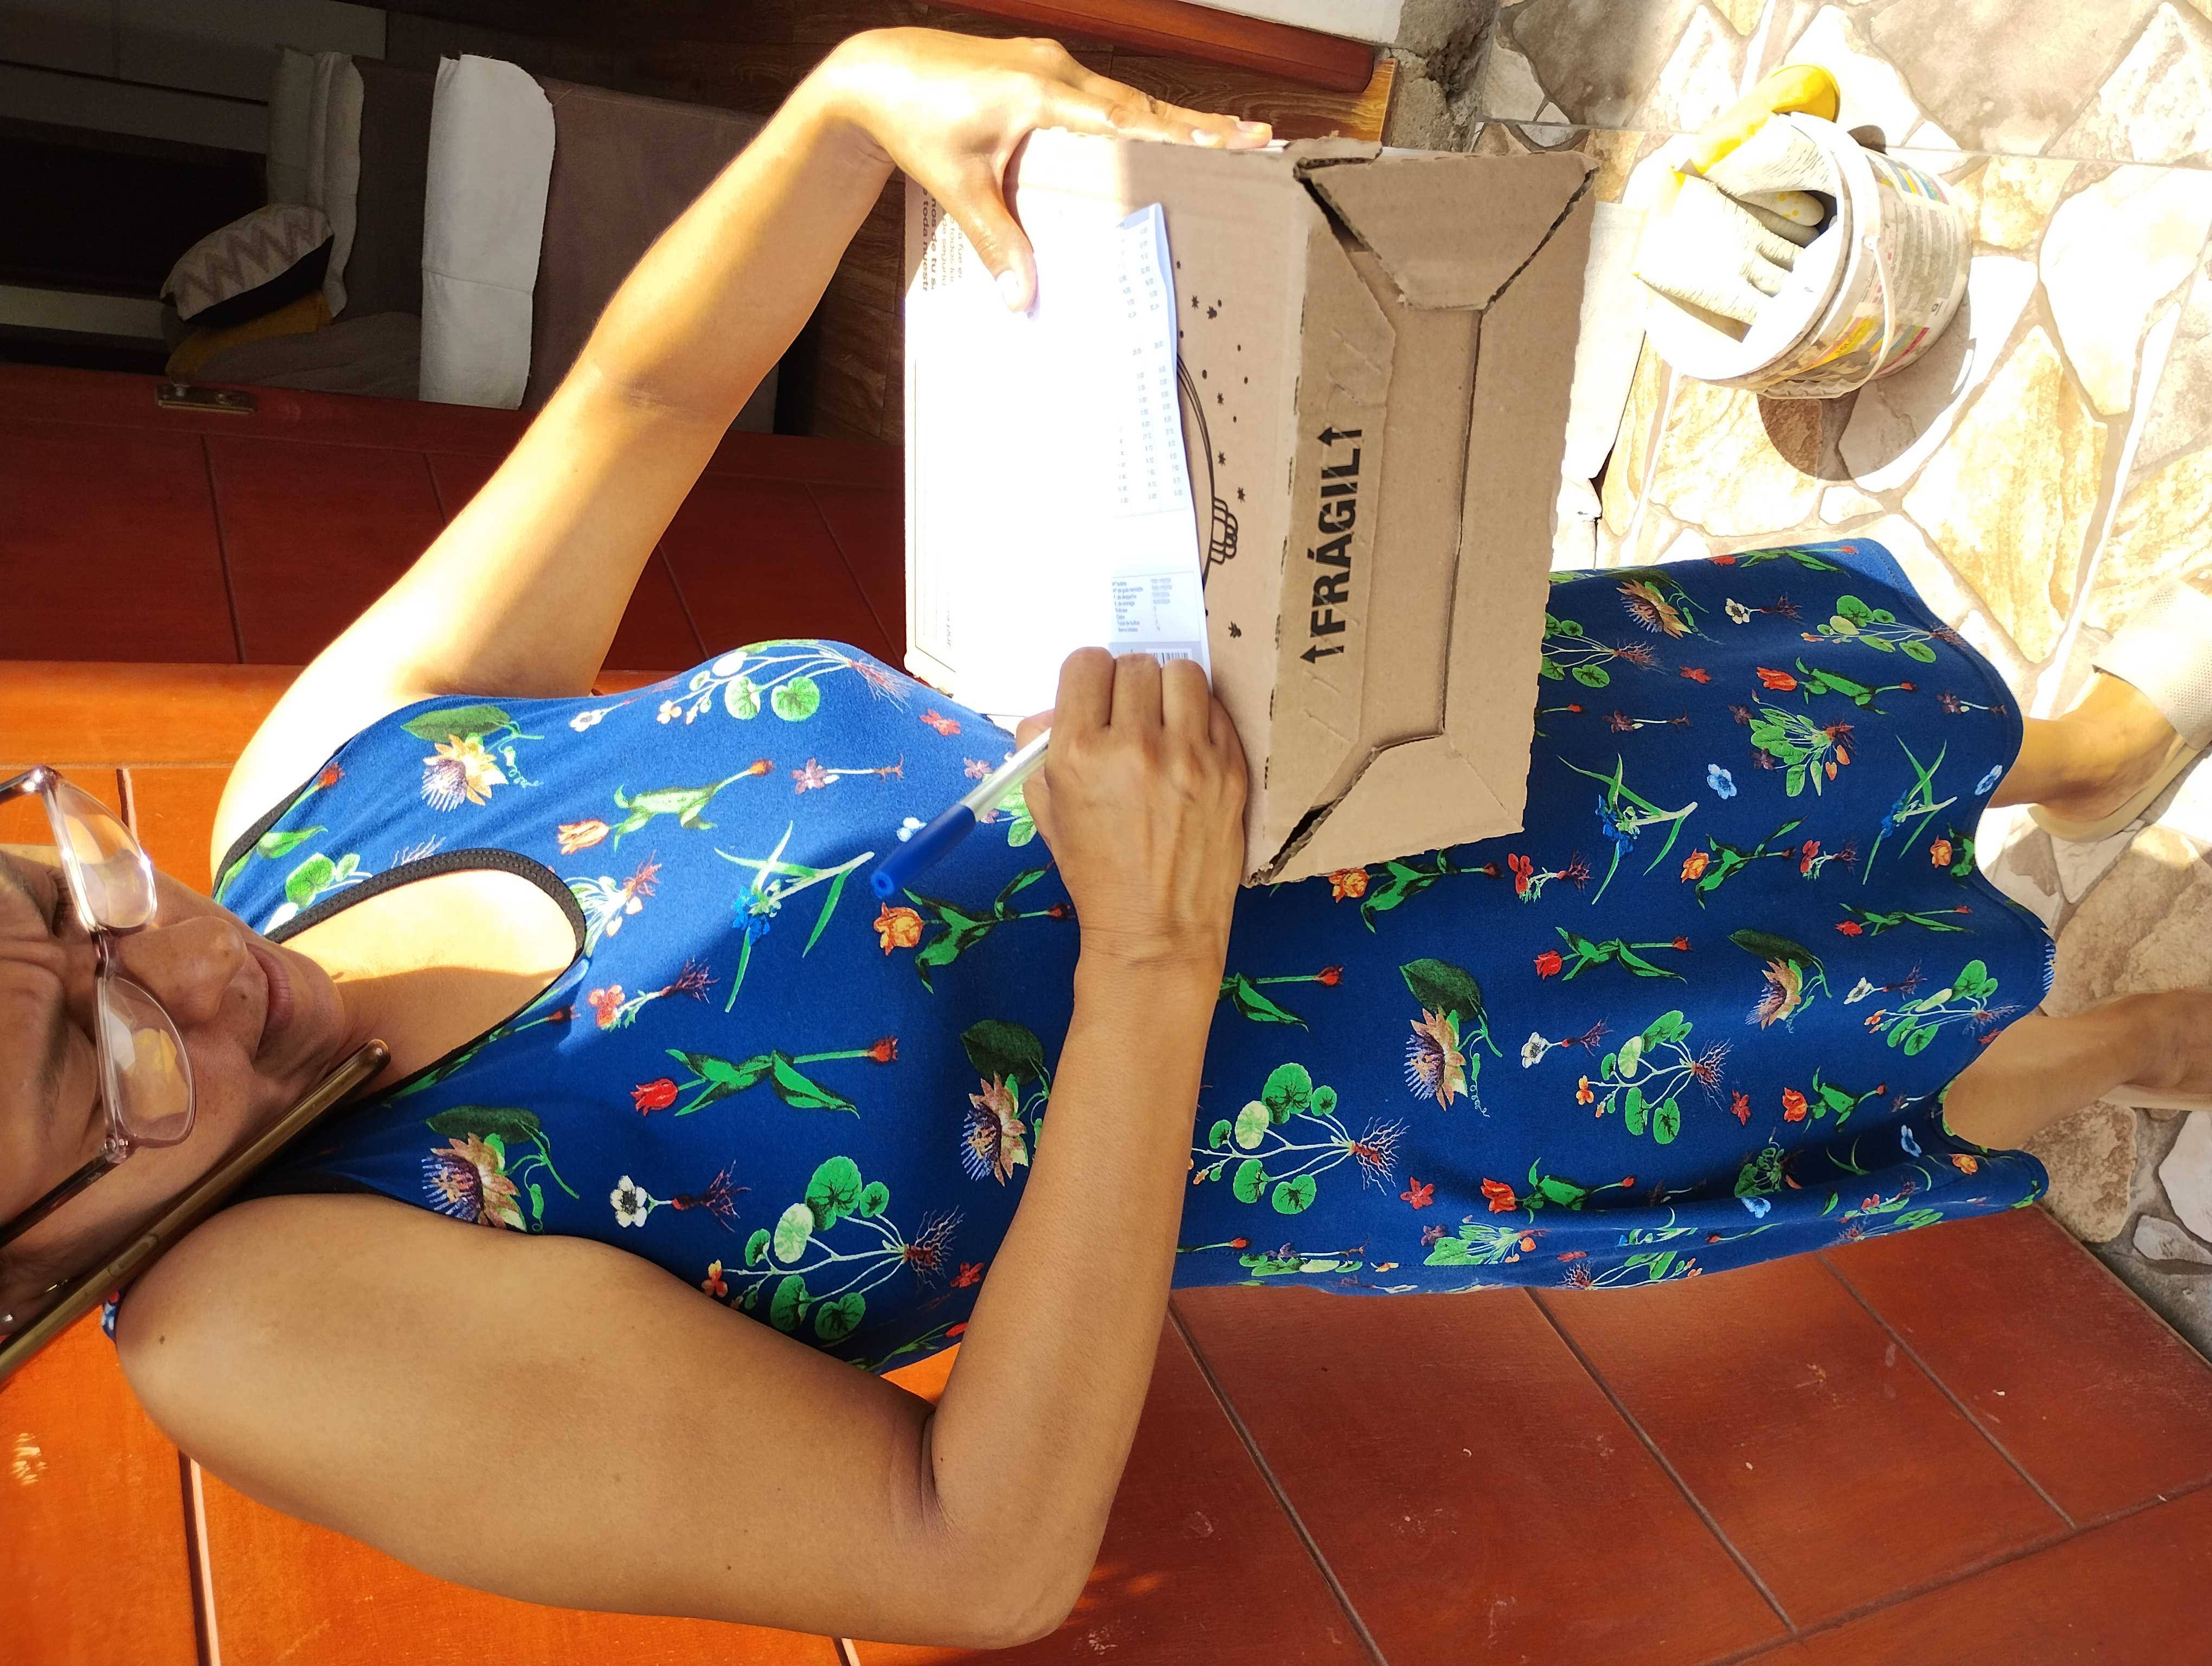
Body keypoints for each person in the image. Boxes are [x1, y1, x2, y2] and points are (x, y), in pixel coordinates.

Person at [5, 25, 2210, 1650]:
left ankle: (2078, 761)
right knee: (1807, 1053)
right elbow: (969, 1551)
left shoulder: (309, 808)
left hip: (1287, 740)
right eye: (93, 1067)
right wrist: (1154, 959)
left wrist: (845, 106)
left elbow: (642, 408)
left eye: (62, 896)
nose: (190, 969)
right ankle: (2141, 1051)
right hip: (1363, 1065)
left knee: (1746, 733)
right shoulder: (251, 1327)